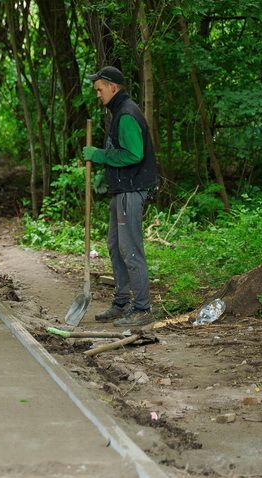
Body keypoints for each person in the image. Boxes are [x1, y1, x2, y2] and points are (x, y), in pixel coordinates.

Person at [83, 66, 158, 327]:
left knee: (130, 248)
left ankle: (142, 308)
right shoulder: (119, 112)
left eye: (100, 89)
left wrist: (100, 155)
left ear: (113, 87)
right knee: (115, 246)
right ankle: (122, 302)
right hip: (122, 189)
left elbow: (134, 154)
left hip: (131, 190)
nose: (98, 94)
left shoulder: (126, 114)